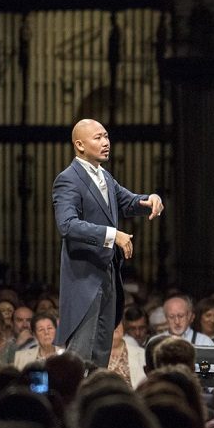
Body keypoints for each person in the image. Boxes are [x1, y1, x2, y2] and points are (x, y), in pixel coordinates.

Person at [52, 118, 164, 368]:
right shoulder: (68, 179)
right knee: (81, 355)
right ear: (79, 145)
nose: (105, 143)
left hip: (108, 275)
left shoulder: (104, 176)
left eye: (106, 136)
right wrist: (114, 235)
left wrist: (150, 199)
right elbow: (67, 225)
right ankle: (73, 404)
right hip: (85, 279)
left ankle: (94, 401)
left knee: (101, 354)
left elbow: (128, 201)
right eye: (98, 138)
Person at [148, 295, 214, 347]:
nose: (177, 321)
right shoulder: (155, 343)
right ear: (166, 318)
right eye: (171, 317)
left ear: (189, 316)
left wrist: (199, 364)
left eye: (181, 316)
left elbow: (206, 364)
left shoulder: (204, 342)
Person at [107, 322, 146, 389]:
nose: (115, 326)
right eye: (111, 321)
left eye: (118, 322)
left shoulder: (142, 354)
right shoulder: (92, 355)